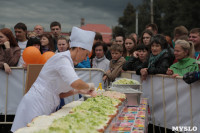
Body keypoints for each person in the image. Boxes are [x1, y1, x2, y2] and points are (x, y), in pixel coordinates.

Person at [11, 26, 96, 132]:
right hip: (35, 104)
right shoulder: (62, 59)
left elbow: (59, 94)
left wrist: (77, 91)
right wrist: (90, 86)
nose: (85, 58)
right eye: (86, 54)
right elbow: (76, 83)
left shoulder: (68, 61)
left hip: (46, 105)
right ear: (79, 49)